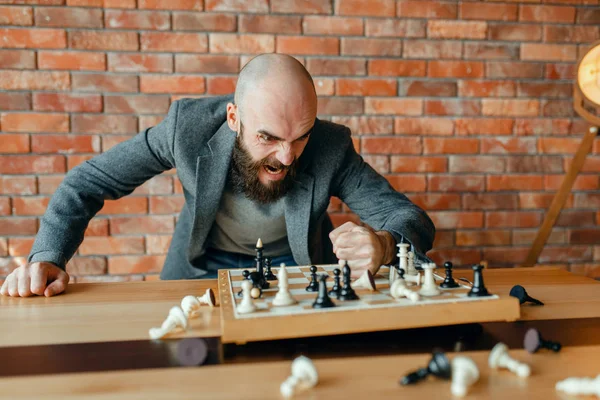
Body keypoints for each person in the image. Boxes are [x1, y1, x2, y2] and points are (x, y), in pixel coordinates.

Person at [0, 53, 435, 298]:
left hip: (296, 271)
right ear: (233, 117)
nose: (286, 156)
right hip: (200, 269)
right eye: (267, 137)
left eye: (300, 137)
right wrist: (47, 257)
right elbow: (87, 182)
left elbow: (405, 215)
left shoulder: (329, 146)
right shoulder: (186, 130)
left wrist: (386, 242)